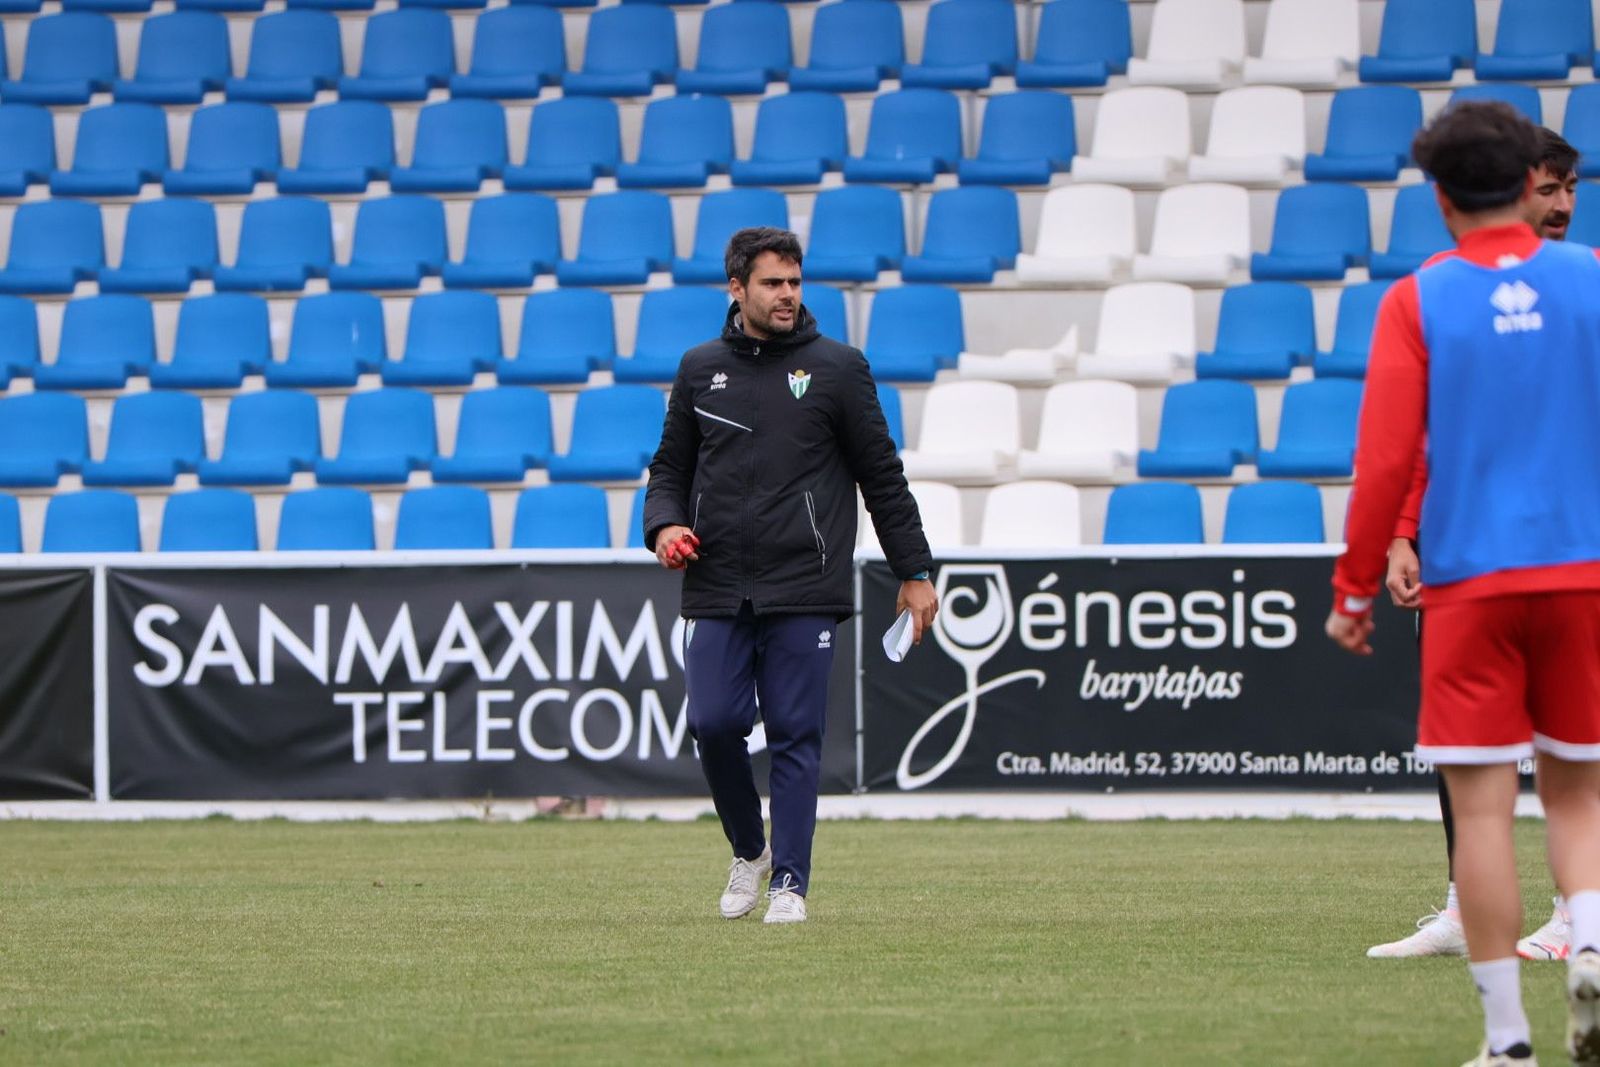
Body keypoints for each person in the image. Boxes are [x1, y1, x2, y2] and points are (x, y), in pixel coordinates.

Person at [1327, 101, 1600, 1067]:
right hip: (1582, 573)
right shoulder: (1591, 278)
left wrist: (1354, 588)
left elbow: (1386, 457)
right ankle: (1591, 943)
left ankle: (1508, 1036)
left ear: (1441, 199)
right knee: (1578, 797)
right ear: (1531, 185)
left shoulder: (1419, 299)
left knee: (1482, 810)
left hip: (1470, 582)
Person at [643, 227, 939, 925]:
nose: (787, 295)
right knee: (713, 724)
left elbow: (882, 477)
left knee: (795, 733)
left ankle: (790, 884)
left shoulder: (839, 368)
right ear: (736, 288)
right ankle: (751, 851)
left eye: (794, 282)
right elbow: (670, 470)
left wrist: (914, 570)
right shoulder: (698, 368)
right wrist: (664, 527)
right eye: (772, 283)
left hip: (806, 582)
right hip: (716, 582)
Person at [1368, 128, 1583, 962]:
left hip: (1570, 552)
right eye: (1548, 187)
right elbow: (1421, 433)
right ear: (1515, 187)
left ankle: (1573, 920)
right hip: (1469, 554)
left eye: (1571, 187)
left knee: (1576, 751)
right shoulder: (1439, 290)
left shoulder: (1584, 281)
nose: (1561, 203)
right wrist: (1402, 535)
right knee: (1469, 750)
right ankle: (1471, 907)